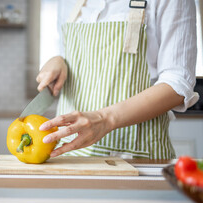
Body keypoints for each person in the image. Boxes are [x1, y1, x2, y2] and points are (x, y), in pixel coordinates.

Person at [37, 0, 199, 159]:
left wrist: (105, 119)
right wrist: (59, 60)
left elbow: (177, 84)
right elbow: (69, 53)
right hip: (71, 153)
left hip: (136, 155)